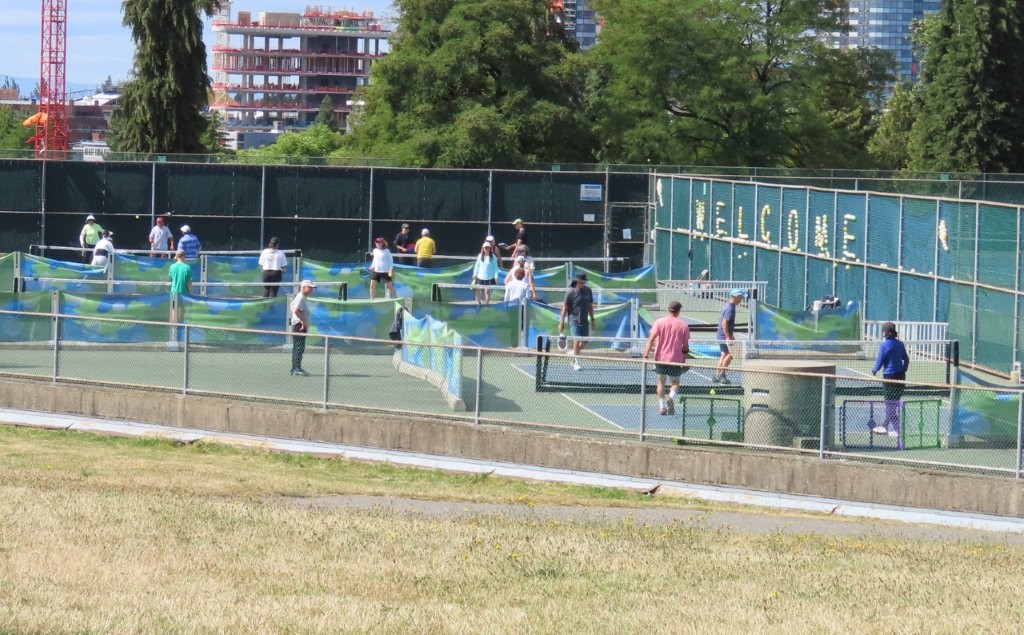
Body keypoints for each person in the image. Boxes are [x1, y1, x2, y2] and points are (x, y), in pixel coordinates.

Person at [643, 301, 692, 415]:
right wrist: (684, 360)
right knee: (675, 383)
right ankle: (671, 397)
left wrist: (645, 355)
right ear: (679, 311)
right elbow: (685, 347)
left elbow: (650, 339)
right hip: (675, 360)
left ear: (668, 310)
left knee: (661, 382)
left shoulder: (659, 322)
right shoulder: (683, 325)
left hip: (660, 359)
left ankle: (661, 407)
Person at [872, 321, 910, 436]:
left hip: (889, 378)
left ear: (887, 332)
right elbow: (906, 360)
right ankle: (893, 428)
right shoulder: (900, 344)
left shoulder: (884, 346)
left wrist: (874, 370)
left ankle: (888, 427)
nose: (882, 332)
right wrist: (903, 369)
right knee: (893, 404)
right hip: (901, 377)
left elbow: (880, 361)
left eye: (883, 330)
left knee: (890, 404)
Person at [558, 272, 596, 371]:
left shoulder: (588, 291)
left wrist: (592, 320)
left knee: (585, 341)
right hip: (573, 320)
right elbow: (565, 307)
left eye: (584, 282)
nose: (583, 284)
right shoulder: (570, 292)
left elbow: (590, 306)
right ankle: (576, 362)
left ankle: (572, 354)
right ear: (577, 281)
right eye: (581, 282)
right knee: (577, 340)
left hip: (584, 321)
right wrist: (561, 322)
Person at [714, 289, 747, 384]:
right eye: (741, 297)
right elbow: (724, 323)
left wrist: (730, 335)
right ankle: (722, 375)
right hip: (724, 336)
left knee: (723, 355)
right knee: (730, 355)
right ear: (736, 296)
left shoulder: (730, 306)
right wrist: (728, 336)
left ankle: (717, 375)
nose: (742, 299)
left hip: (721, 335)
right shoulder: (730, 308)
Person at [290, 280, 316, 376]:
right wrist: (302, 322)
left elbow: (292, 306)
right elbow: (296, 310)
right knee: (299, 347)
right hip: (299, 326)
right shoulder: (300, 297)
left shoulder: (300, 297)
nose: (312, 290)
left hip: (298, 325)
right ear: (303, 287)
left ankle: (295, 368)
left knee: (297, 347)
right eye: (310, 287)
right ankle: (296, 368)